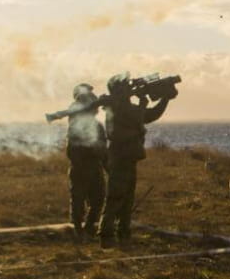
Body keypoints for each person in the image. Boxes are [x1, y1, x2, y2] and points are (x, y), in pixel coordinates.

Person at [98, 72, 174, 248]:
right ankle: (106, 236)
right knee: (115, 197)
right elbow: (138, 116)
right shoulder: (116, 108)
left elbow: (150, 115)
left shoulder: (125, 107)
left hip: (128, 158)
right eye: (126, 87)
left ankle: (123, 234)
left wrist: (165, 99)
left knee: (127, 199)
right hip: (120, 158)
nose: (129, 89)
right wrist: (143, 101)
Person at [65, 83, 107, 239]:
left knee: (98, 200)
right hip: (80, 166)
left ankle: (88, 229)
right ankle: (78, 229)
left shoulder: (97, 126)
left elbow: (103, 148)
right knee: (78, 201)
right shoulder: (75, 119)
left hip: (94, 166)